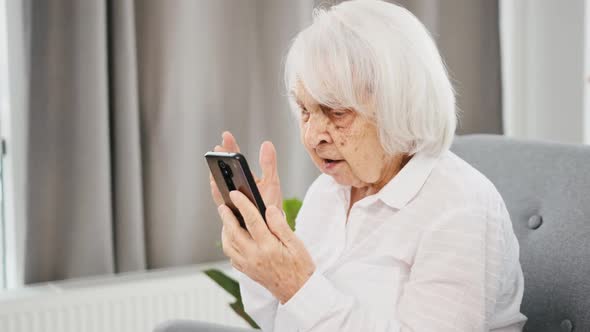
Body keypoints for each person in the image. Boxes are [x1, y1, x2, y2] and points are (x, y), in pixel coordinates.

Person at [209, 0, 527, 331]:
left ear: (400, 104)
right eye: (304, 110)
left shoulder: (459, 207)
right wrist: (264, 256)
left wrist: (296, 284)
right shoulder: (328, 191)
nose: (312, 135)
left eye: (336, 112)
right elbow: (280, 322)